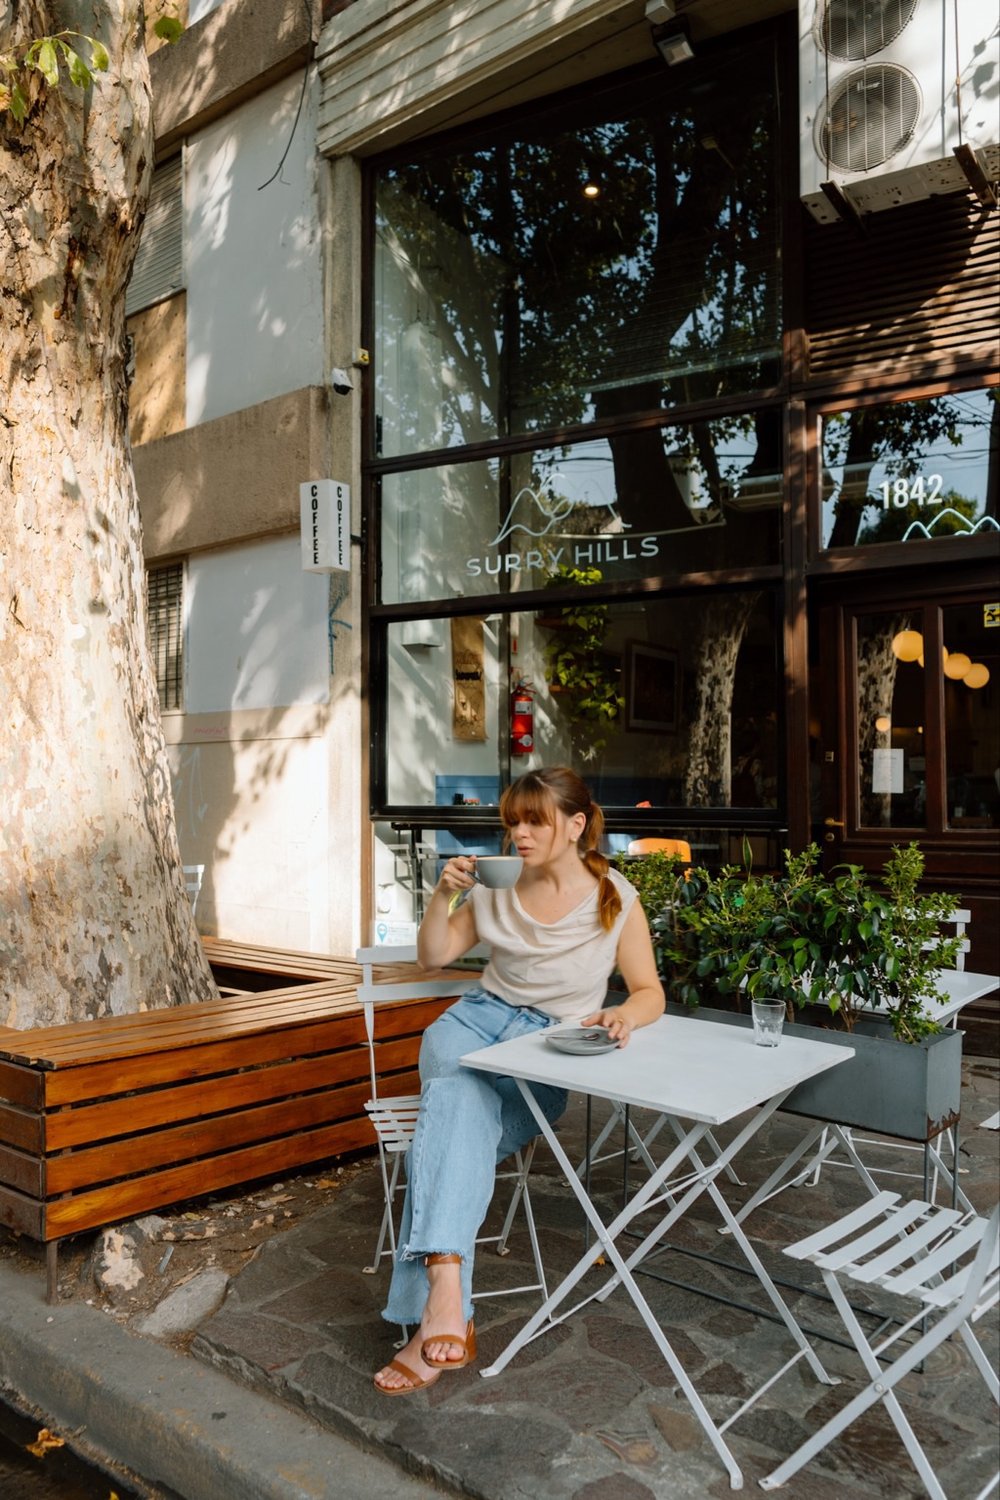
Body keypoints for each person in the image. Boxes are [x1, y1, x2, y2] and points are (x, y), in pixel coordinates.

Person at [373, 766, 665, 1395]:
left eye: (536, 820)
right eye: (513, 821)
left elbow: (650, 994)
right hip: (472, 1024)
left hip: (545, 1048)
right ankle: (447, 1297)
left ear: (577, 824)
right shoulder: (493, 887)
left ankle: (439, 1306)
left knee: (454, 1110)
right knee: (455, 1086)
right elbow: (432, 957)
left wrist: (622, 1014)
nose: (520, 834)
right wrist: (441, 895)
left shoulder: (615, 896)